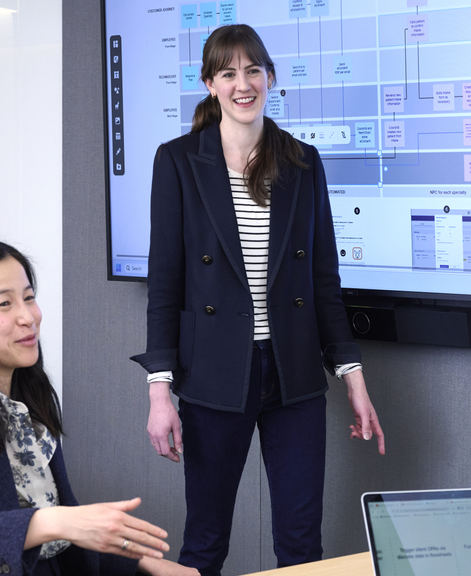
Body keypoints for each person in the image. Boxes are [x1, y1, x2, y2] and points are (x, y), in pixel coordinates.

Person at [131, 24, 385, 576]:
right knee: (205, 542)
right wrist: (159, 393)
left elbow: (323, 282)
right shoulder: (177, 161)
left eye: (252, 71)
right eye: (228, 74)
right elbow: (166, 285)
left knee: (301, 547)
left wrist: (354, 379)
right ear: (210, 84)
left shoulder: (301, 161)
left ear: (270, 77)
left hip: (293, 377)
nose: (242, 84)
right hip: (216, 375)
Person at [0, 236, 196, 576]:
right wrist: (54, 520)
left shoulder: (28, 398)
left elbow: (59, 547)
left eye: (29, 298)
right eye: (4, 304)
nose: (28, 317)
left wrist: (142, 563)